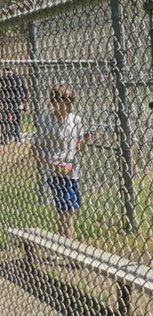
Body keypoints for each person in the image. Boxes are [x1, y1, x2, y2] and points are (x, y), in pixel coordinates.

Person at [34, 83, 90, 238]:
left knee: (70, 208)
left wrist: (85, 140)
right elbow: (35, 149)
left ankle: (65, 242)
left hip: (72, 169)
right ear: (53, 102)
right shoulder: (47, 121)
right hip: (56, 170)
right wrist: (51, 164)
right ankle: (68, 242)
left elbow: (78, 147)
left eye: (69, 102)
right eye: (62, 102)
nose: (66, 106)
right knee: (64, 208)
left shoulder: (76, 120)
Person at [0, 68, 28, 144]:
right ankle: (7, 137)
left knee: (16, 119)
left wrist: (24, 102)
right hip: (6, 102)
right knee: (6, 120)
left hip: (15, 101)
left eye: (9, 71)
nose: (7, 73)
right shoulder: (3, 78)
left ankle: (16, 137)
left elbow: (24, 90)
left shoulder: (18, 78)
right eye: (6, 71)